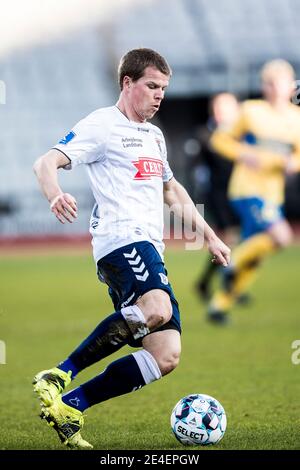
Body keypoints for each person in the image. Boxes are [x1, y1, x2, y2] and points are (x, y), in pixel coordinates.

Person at [33, 48, 230, 449]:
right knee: (156, 308)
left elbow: (171, 191)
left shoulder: (154, 136)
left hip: (148, 246)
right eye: (152, 86)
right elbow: (45, 163)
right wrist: (55, 195)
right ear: (128, 83)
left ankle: (70, 406)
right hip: (120, 240)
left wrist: (209, 235)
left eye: (164, 89)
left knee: (166, 355)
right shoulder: (102, 125)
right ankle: (58, 374)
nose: (159, 96)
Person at [207, 59, 300, 324]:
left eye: (278, 83)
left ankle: (219, 306)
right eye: (267, 83)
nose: (272, 88)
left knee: (256, 256)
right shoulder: (250, 111)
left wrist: (292, 163)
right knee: (281, 237)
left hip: (274, 193)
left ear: (289, 86)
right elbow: (219, 140)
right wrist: (244, 154)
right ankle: (232, 263)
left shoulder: (296, 119)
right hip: (247, 189)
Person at [194, 93, 240, 301]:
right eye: (223, 108)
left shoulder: (238, 135)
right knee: (229, 238)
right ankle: (228, 286)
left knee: (234, 240)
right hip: (217, 194)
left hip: (237, 192)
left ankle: (208, 283)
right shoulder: (205, 134)